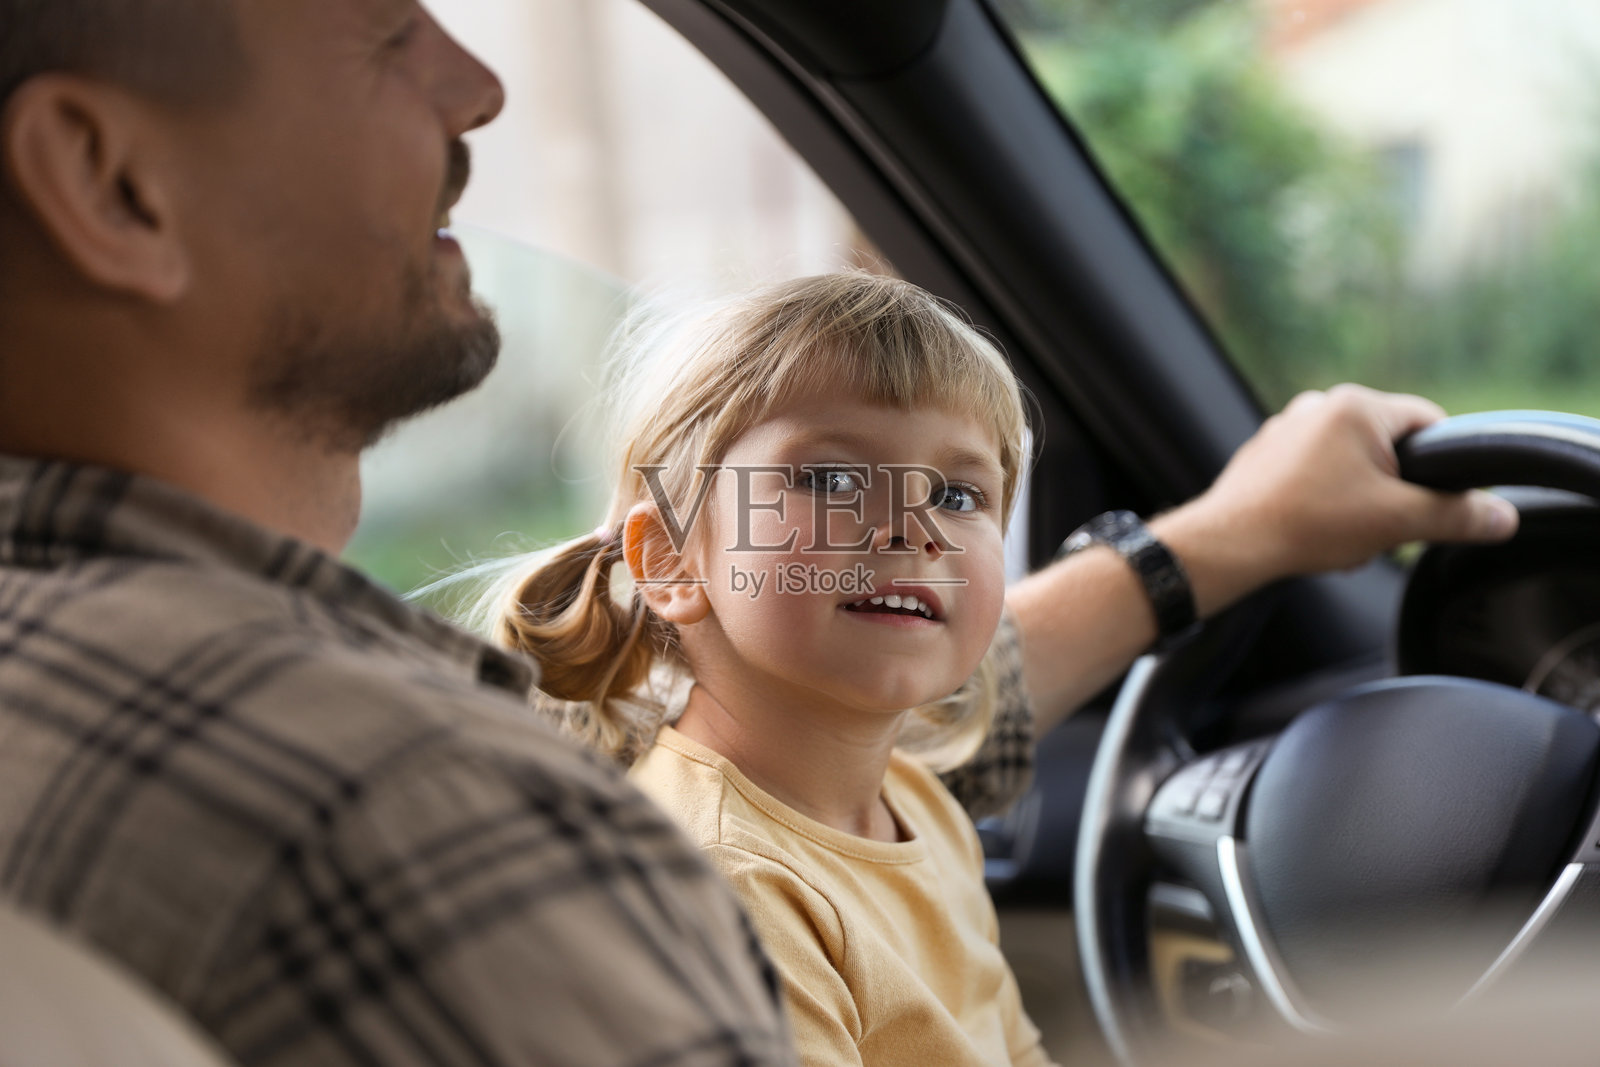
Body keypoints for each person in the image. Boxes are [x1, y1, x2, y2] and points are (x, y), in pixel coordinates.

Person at [0, 1, 1515, 1065]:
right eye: (386, 27)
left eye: (963, 496)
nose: (478, 84)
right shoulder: (457, 821)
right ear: (110, 177)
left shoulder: (59, 657)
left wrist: (1222, 538)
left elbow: (932, 712)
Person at [481, 271, 1517, 1066]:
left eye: (963, 494)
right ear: (668, 558)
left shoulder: (912, 797)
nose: (914, 527)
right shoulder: (721, 885)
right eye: (834, 474)